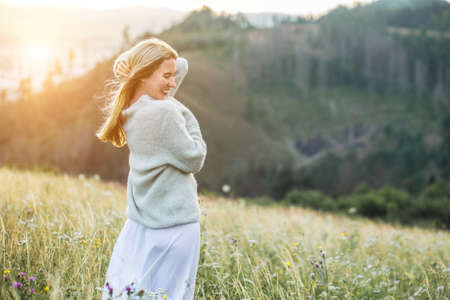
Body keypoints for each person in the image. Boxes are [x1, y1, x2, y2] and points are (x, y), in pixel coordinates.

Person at [95, 38, 207, 300]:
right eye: (167, 76)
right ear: (144, 74)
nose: (173, 81)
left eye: (173, 76)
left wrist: (128, 59)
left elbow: (181, 65)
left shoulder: (130, 107)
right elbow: (195, 158)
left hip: (142, 222)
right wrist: (187, 117)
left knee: (128, 293)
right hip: (175, 227)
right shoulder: (165, 112)